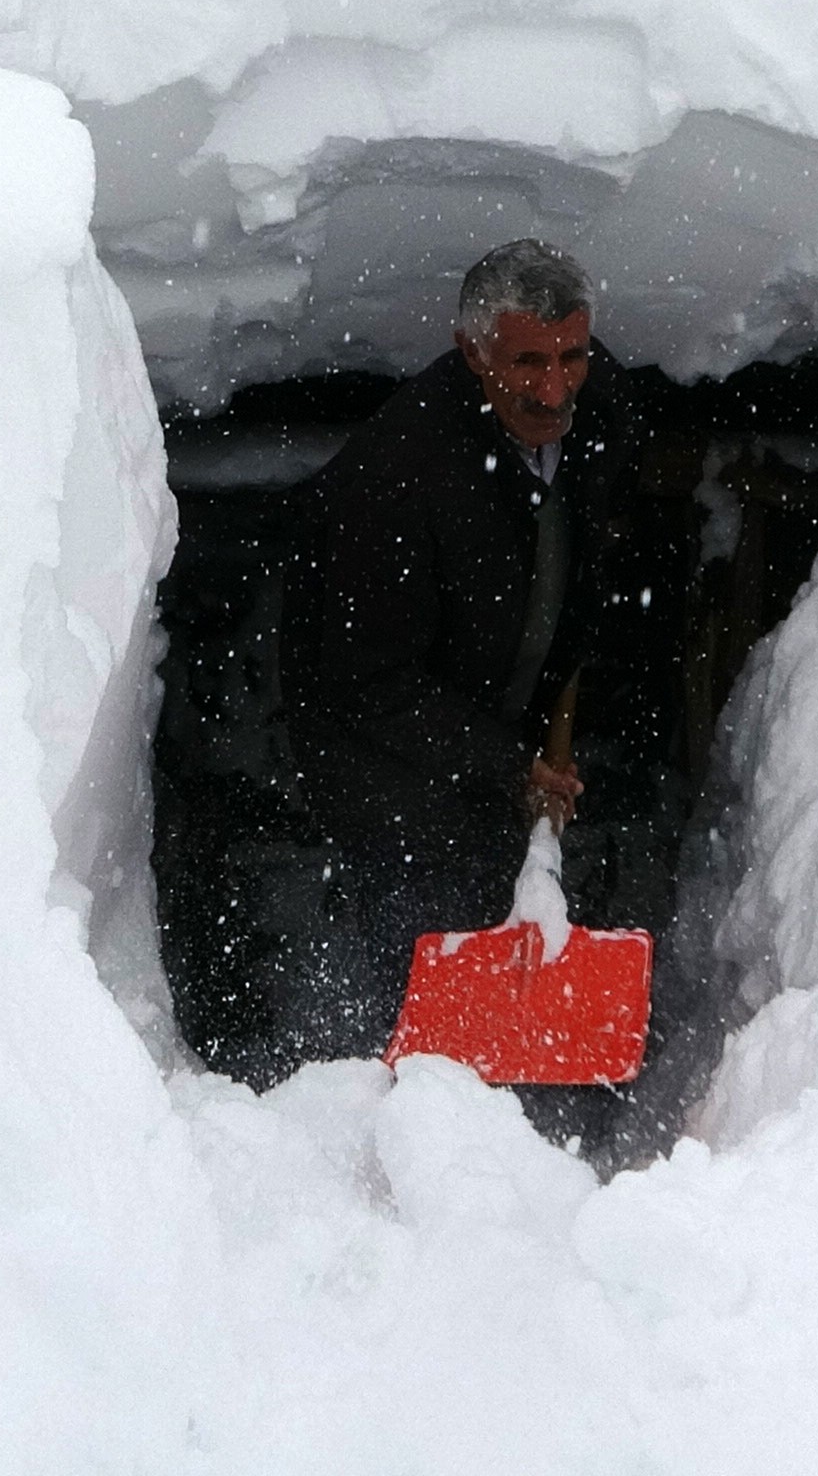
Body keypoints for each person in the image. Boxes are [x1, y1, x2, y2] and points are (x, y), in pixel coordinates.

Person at [274, 240, 671, 1097]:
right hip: (375, 749)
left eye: (572, 356)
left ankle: (530, 1090)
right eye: (528, 361)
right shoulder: (396, 479)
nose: (556, 387)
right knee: (425, 929)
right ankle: (397, 1104)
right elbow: (367, 683)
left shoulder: (601, 416)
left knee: (507, 893)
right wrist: (507, 762)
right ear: (472, 352)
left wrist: (554, 717)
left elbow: (596, 551)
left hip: (501, 697)